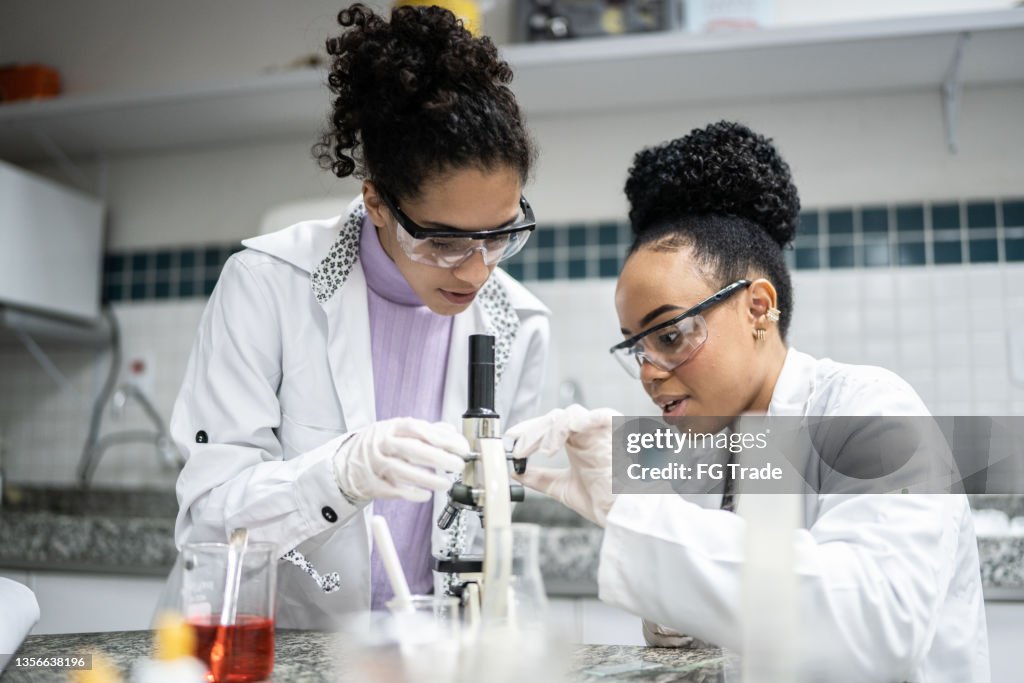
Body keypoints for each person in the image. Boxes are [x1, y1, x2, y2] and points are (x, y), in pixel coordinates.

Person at [508, 122, 988, 681]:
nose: (648, 372)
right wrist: (680, 611)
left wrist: (637, 515)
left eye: (669, 336)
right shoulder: (710, 448)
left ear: (759, 307)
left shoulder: (873, 411)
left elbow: (875, 624)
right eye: (636, 347)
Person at [169, 3, 549, 629]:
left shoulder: (520, 324)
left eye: (501, 234)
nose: (478, 271)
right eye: (446, 241)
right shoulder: (266, 285)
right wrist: (338, 475)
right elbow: (208, 521)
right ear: (376, 200)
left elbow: (489, 530)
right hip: (271, 648)